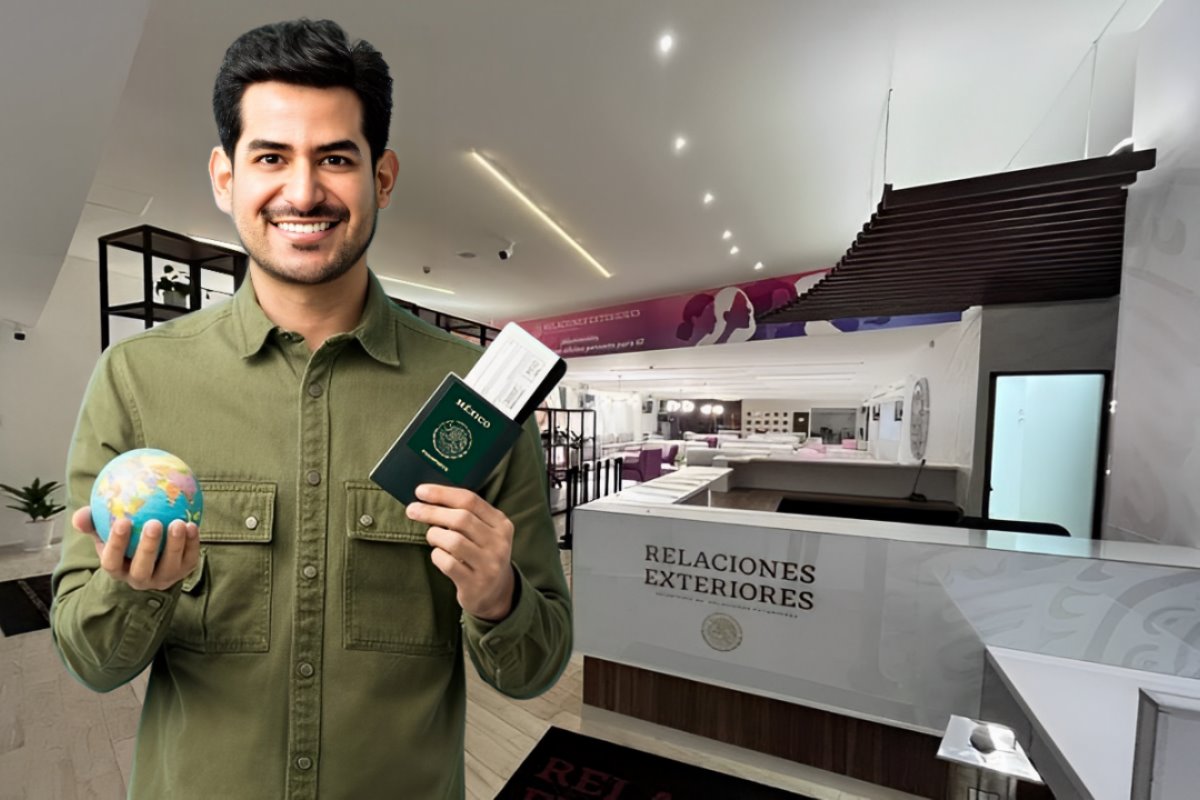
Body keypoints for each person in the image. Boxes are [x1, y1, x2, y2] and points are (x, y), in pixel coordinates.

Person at [51, 19, 572, 799]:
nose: (303, 192)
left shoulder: (474, 397)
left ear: (382, 178)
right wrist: (133, 590)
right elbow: (91, 662)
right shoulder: (136, 379)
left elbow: (537, 669)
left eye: (335, 158)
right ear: (225, 177)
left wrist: (498, 597)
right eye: (270, 157)